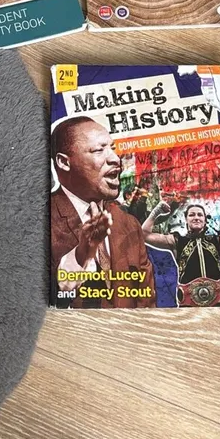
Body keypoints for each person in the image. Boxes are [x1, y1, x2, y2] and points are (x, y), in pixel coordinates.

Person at [50, 117, 156, 309]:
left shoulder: (129, 224)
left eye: (113, 148)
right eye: (99, 150)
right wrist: (81, 255)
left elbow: (147, 303)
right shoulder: (39, 220)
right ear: (64, 162)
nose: (115, 158)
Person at [142, 200, 220, 306]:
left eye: (200, 215)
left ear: (205, 220)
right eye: (192, 215)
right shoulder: (177, 241)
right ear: (186, 219)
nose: (196, 217)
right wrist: (155, 213)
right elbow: (144, 235)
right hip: (189, 303)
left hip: (217, 301)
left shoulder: (217, 240)